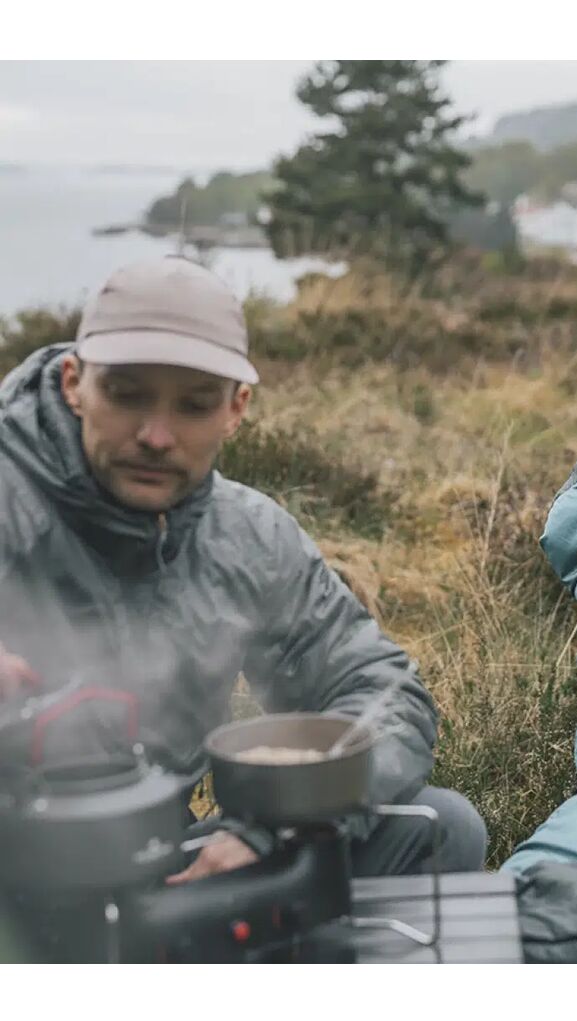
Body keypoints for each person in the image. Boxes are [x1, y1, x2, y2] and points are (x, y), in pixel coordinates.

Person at [0, 255, 486, 883]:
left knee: (440, 828)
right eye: (126, 395)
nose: (156, 435)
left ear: (236, 409)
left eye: (194, 405)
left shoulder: (248, 539)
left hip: (159, 865)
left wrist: (277, 824)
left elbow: (381, 693)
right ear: (75, 383)